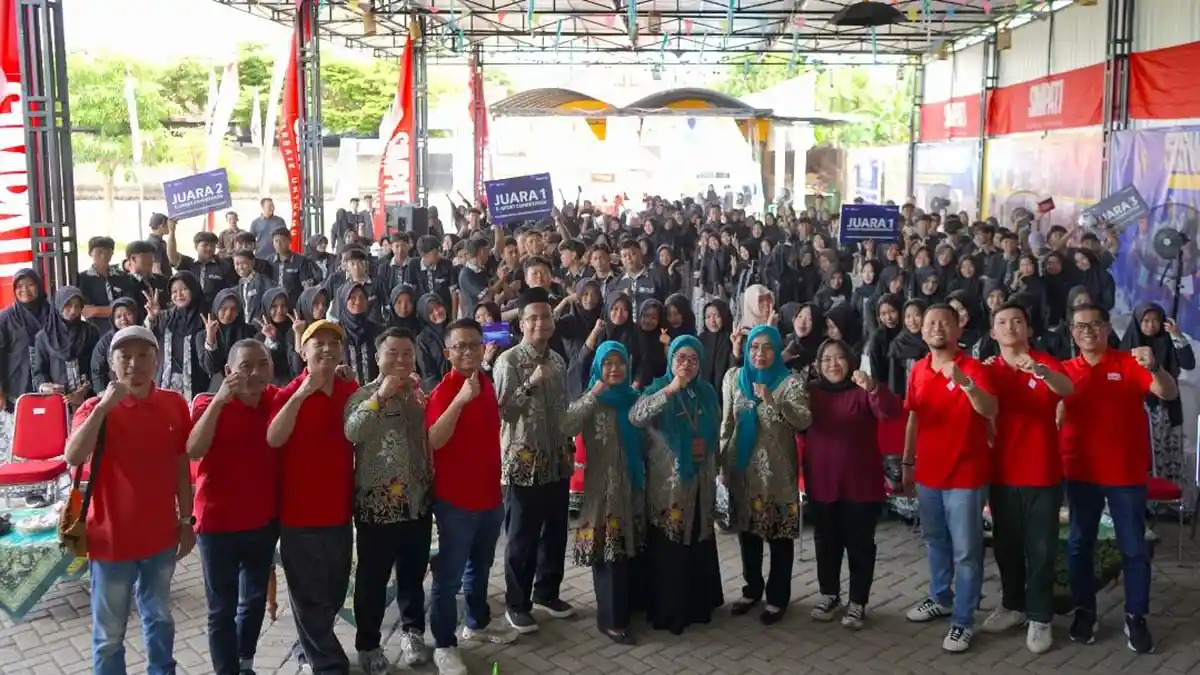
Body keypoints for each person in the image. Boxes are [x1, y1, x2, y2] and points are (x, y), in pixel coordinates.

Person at [63, 326, 195, 675]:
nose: (134, 364)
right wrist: (104, 406)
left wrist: (187, 521)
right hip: (110, 541)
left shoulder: (173, 404)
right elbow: (73, 456)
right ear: (112, 362)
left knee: (160, 619)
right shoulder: (93, 408)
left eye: (143, 355)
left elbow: (182, 467)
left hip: (160, 538)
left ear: (157, 359)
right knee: (109, 636)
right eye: (125, 356)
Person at [1059, 303, 1178, 654]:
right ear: (1072, 333)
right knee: (1079, 544)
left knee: (1134, 548)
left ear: (1108, 328)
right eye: (1081, 326)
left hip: (1125, 474)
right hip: (1080, 473)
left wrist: (1155, 367)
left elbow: (1168, 392)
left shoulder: (1129, 364)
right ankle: (1085, 611)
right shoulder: (1063, 371)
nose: (1088, 331)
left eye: (1095, 324)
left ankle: (1136, 616)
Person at [978, 301, 1074, 654]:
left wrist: (1041, 372)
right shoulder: (988, 370)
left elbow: (1067, 390)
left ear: (1029, 329)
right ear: (993, 332)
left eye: (1017, 321)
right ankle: (1013, 605)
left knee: (1041, 548)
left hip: (1042, 473)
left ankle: (1040, 616)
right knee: (1006, 545)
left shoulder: (1045, 363)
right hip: (1001, 472)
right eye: (1002, 322)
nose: (1010, 327)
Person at [901, 303, 997, 653]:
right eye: (930, 323)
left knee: (967, 551)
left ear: (958, 330)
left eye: (945, 323)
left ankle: (963, 621)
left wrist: (966, 384)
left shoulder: (973, 368)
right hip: (928, 474)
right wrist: (908, 462)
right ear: (921, 330)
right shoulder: (918, 370)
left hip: (966, 476)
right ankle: (940, 597)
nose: (937, 328)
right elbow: (913, 418)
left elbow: (990, 410)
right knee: (934, 541)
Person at [266, 319, 360, 674]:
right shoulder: (288, 393)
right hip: (299, 515)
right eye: (318, 343)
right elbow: (274, 438)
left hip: (339, 511)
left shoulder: (349, 388)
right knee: (308, 596)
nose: (327, 349)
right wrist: (304, 391)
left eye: (333, 343)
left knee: (334, 592)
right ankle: (328, 664)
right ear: (302, 352)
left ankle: (308, 648)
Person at [425, 318, 516, 675]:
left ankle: (477, 622)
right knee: (448, 579)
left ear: (483, 348)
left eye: (474, 345)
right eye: (459, 346)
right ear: (447, 352)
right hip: (456, 503)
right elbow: (434, 440)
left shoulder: (487, 384)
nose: (467, 351)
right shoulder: (444, 391)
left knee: (480, 566)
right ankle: (444, 644)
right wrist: (461, 400)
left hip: (490, 497)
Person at [187, 339, 280, 675]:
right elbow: (193, 449)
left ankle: (244, 662)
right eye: (245, 366)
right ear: (229, 371)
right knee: (221, 609)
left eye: (262, 364)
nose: (255, 373)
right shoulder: (206, 404)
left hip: (262, 521)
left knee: (253, 601)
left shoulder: (275, 400)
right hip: (217, 524)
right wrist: (220, 401)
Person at [344, 328, 434, 672]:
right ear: (377, 357)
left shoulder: (418, 395)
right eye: (392, 352)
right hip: (377, 507)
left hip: (416, 502)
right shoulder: (362, 395)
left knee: (413, 575)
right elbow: (353, 432)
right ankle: (368, 645)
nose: (400, 359)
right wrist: (380, 396)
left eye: (407, 353)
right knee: (373, 580)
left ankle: (412, 633)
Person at [804, 339, 902, 630]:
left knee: (860, 544)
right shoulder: (810, 393)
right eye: (826, 359)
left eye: (839, 358)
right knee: (826, 542)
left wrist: (872, 387)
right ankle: (829, 594)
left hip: (860, 484)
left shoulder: (863, 390)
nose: (833, 364)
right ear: (818, 365)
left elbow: (890, 410)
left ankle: (858, 601)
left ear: (850, 361)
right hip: (822, 481)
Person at [629, 334, 724, 635]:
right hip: (668, 483)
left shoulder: (706, 392)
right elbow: (636, 416)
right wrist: (671, 390)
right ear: (671, 360)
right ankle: (670, 611)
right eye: (680, 358)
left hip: (700, 480)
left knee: (697, 538)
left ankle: (697, 607)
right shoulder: (658, 388)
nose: (687, 364)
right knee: (670, 542)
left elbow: (717, 426)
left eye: (693, 359)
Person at [493, 288, 575, 633]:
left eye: (546, 317)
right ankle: (517, 603)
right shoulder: (508, 361)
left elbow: (562, 409)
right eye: (533, 318)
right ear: (522, 323)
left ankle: (546, 592)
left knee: (555, 533)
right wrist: (529, 383)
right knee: (522, 537)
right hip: (523, 464)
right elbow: (502, 411)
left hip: (557, 459)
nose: (541, 323)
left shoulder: (557, 360)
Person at [718, 324, 810, 625]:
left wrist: (772, 400)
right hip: (742, 470)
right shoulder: (734, 378)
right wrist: (722, 465)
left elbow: (803, 421)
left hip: (777, 474)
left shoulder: (790, 382)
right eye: (755, 347)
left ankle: (778, 597)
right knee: (748, 533)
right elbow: (727, 425)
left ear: (777, 350)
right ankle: (752, 589)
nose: (760, 353)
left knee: (779, 535)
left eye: (768, 347)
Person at [561, 341, 647, 644]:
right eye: (607, 363)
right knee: (608, 553)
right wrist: (592, 394)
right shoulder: (592, 401)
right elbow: (566, 425)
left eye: (619, 362)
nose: (614, 369)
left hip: (633, 486)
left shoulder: (634, 399)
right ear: (598, 366)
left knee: (627, 550)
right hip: (603, 491)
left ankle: (628, 609)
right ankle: (611, 619)